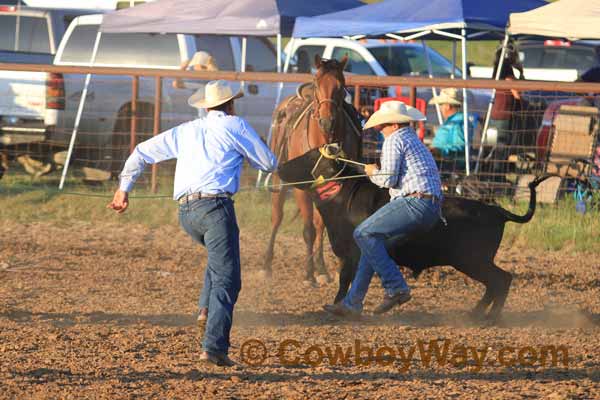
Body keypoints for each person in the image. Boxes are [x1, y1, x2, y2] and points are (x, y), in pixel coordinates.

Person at [107, 80, 277, 366]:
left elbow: (141, 152)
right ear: (231, 104)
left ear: (206, 105)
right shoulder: (235, 125)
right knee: (228, 279)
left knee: (218, 261)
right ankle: (214, 347)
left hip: (187, 213)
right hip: (216, 208)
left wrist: (124, 188)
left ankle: (204, 309)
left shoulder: (187, 131)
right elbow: (268, 163)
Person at [323, 101, 442, 317]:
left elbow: (388, 179)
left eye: (383, 125)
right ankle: (352, 303)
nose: (380, 129)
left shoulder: (394, 140)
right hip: (430, 206)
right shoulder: (411, 138)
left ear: (395, 124)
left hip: (415, 202)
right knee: (371, 245)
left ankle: (396, 287)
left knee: (363, 233)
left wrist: (371, 172)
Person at [429, 88, 477, 175]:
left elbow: (461, 146)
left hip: (449, 162)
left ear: (447, 106)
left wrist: (440, 150)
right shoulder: (453, 120)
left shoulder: (459, 121)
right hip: (443, 159)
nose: (440, 108)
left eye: (441, 105)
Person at [173, 51, 219, 118]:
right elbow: (177, 84)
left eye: (202, 67)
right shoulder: (196, 81)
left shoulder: (209, 81)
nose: (194, 68)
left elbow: (218, 81)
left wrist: (182, 69)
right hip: (203, 117)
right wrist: (182, 69)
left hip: (209, 117)